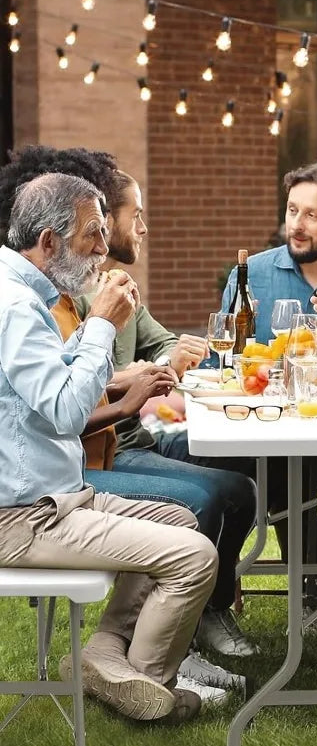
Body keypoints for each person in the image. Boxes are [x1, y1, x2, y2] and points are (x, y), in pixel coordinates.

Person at [0, 146, 258, 672]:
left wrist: (105, 351)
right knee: (194, 555)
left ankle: (104, 657)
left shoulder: (27, 295)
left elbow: (47, 390)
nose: (102, 248)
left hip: (57, 496)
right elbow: (68, 414)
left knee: (184, 520)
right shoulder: (16, 306)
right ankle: (146, 681)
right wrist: (102, 327)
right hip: (26, 516)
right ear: (49, 242)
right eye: (92, 234)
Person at [220, 160, 317, 618]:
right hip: (267, 422)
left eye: (312, 215)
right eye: (292, 211)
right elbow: (223, 360)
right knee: (296, 456)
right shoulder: (253, 274)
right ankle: (307, 573)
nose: (297, 225)